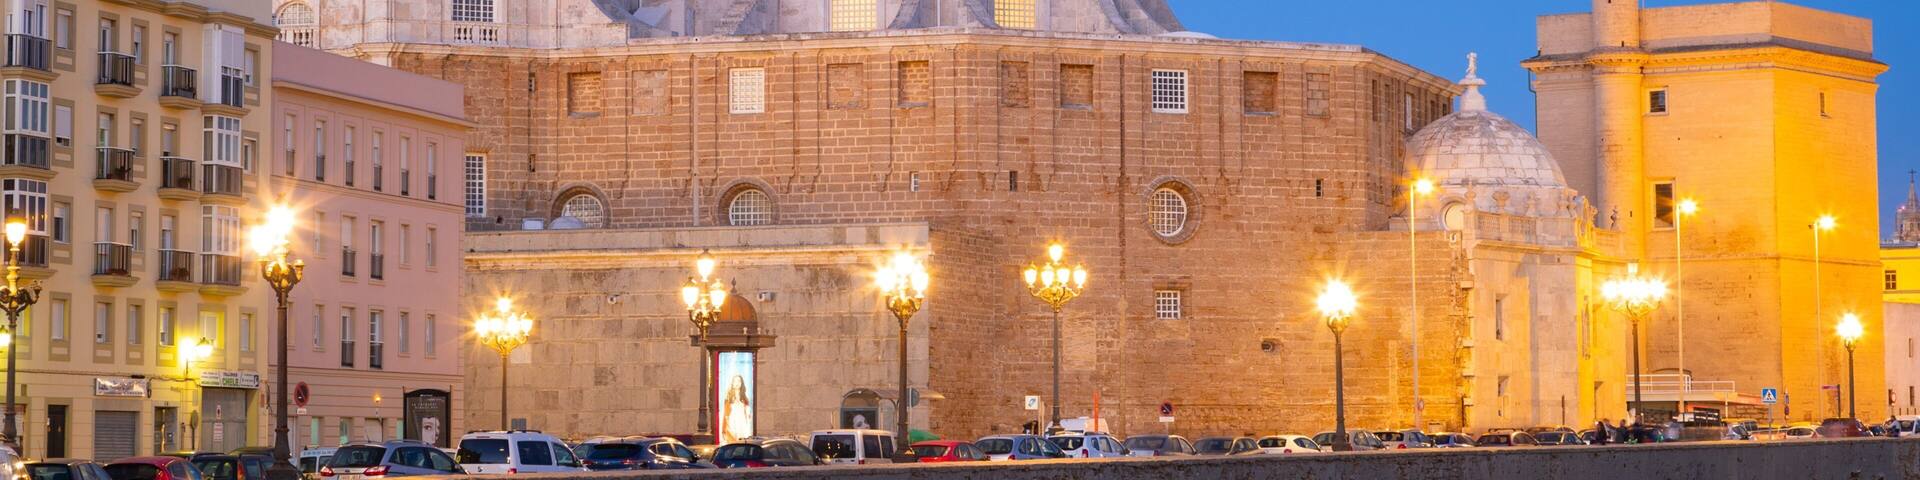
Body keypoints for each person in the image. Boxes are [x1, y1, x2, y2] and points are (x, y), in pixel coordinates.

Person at [719, 375, 752, 444]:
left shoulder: (745, 399)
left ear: (741, 383)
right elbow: (725, 415)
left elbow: (748, 415)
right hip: (732, 424)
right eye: (735, 381)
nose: (737, 383)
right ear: (732, 383)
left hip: (742, 424)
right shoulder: (728, 398)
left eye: (739, 381)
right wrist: (724, 429)